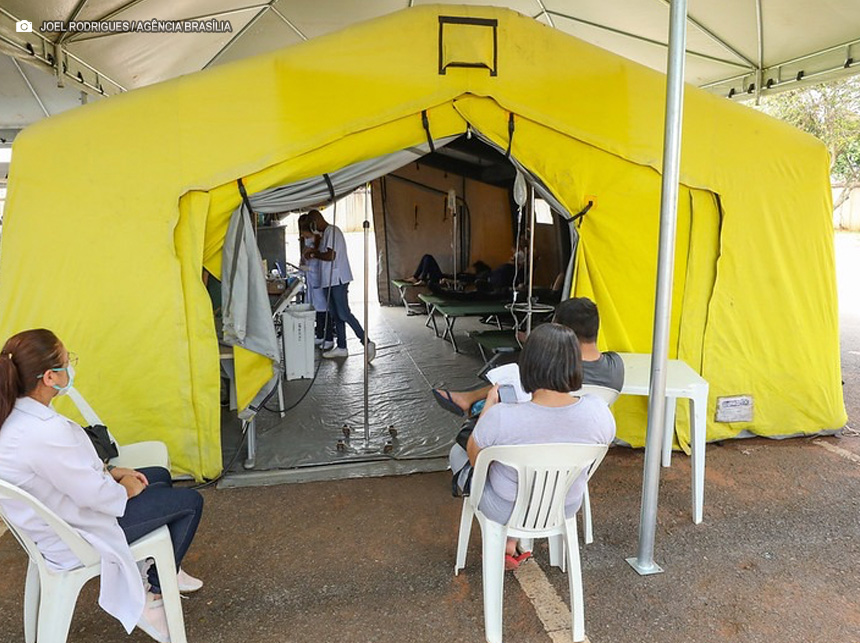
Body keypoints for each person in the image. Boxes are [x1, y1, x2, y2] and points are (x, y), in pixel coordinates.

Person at [0, 329, 204, 643]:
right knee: (190, 502)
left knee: (159, 475)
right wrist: (126, 488)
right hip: (79, 532)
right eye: (68, 361)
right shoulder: (44, 433)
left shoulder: (15, 414)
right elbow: (94, 495)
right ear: (50, 378)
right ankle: (155, 592)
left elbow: (64, 475)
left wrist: (111, 471)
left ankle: (166, 566)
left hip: (59, 517)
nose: (71, 367)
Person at [464, 323, 616, 569]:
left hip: (506, 509)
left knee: (465, 457)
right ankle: (510, 544)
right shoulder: (599, 412)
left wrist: (490, 404)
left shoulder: (502, 417)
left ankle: (504, 543)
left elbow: (475, 458)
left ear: (528, 366)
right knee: (529, 470)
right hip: (563, 505)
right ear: (575, 365)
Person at [433, 297, 624, 418]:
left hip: (542, 424)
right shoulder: (616, 366)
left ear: (562, 332)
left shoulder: (553, 372)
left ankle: (468, 399)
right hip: (581, 437)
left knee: (514, 377)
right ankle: (468, 398)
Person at [305, 210, 376, 362]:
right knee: (335, 315)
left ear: (317, 220)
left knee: (344, 313)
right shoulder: (325, 235)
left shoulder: (332, 231)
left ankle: (367, 342)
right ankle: (342, 347)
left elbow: (331, 256)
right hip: (328, 281)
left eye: (312, 225)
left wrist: (313, 254)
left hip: (338, 280)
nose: (313, 229)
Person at [298, 213, 335, 350]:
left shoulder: (319, 244)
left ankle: (329, 338)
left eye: (306, 236)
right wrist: (303, 264)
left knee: (324, 312)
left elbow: (318, 266)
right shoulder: (308, 245)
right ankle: (320, 336)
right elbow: (306, 263)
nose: (304, 238)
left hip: (319, 282)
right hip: (313, 284)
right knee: (318, 311)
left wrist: (307, 267)